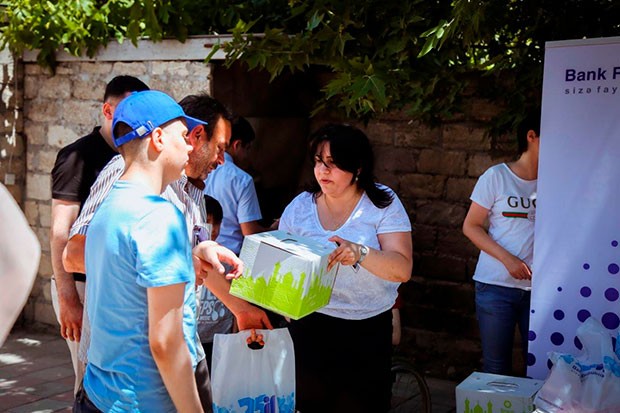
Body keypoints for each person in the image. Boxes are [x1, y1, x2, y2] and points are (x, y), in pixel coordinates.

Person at [63, 93, 272, 411]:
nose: (189, 146)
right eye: (184, 136)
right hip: (147, 388)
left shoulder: (134, 200)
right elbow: (165, 341)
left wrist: (192, 258)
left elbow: (133, 252)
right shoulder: (155, 211)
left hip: (109, 388)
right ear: (159, 138)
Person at [278, 123, 413, 413]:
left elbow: (402, 268)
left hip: (366, 328)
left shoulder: (382, 203)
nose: (323, 171)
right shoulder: (300, 207)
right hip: (309, 326)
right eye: (318, 161)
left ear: (358, 168)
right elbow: (281, 263)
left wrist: (361, 253)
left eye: (333, 163)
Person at [49, 75, 149, 394]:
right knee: (89, 381)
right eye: (129, 109)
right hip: (81, 284)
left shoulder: (136, 154)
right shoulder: (77, 156)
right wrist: (68, 299)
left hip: (116, 285)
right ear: (108, 111)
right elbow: (60, 233)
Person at [462, 111, 540, 376]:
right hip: (495, 287)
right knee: (496, 370)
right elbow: (471, 226)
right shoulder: (496, 176)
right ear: (531, 136)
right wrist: (508, 260)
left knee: (540, 368)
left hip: (541, 289)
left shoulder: (558, 182)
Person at [200, 116, 271, 364]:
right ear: (237, 145)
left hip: (201, 268)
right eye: (247, 149)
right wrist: (273, 229)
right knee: (224, 345)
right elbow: (250, 232)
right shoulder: (241, 179)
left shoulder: (195, 172)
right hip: (228, 269)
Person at [197, 195, 226, 370]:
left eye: (217, 223)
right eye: (208, 222)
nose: (213, 229)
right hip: (196, 337)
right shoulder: (188, 259)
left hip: (220, 337)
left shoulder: (227, 258)